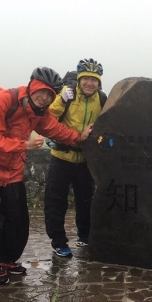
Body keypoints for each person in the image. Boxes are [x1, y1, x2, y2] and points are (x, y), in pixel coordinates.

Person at [0, 67, 93, 285]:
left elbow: (56, 130)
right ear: (31, 85)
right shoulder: (4, 100)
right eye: (42, 91)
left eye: (50, 94)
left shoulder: (39, 112)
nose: (44, 97)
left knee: (17, 217)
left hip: (11, 168)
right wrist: (24, 145)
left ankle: (9, 259)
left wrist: (80, 137)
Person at [45, 58, 106, 257]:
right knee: (56, 201)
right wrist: (61, 100)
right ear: (79, 80)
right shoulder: (67, 96)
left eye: (94, 79)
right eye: (86, 78)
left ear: (99, 82)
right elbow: (48, 120)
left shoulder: (102, 99)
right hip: (62, 156)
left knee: (86, 200)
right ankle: (59, 241)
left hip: (86, 160)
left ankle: (85, 235)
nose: (90, 83)